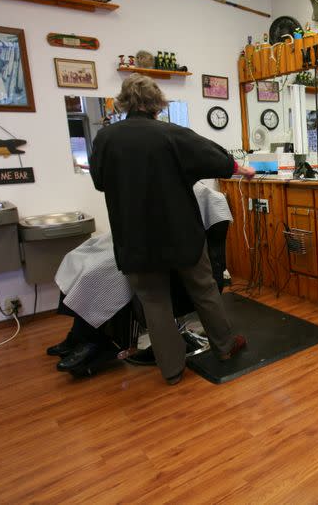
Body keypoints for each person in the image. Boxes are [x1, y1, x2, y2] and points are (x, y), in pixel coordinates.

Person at [89, 74, 255, 385]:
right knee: (204, 290)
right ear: (157, 104)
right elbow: (215, 158)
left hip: (134, 237)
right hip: (180, 234)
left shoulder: (105, 139)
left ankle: (172, 369)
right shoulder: (171, 134)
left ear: (124, 103)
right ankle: (224, 347)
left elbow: (99, 182)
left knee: (153, 301)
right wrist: (242, 168)